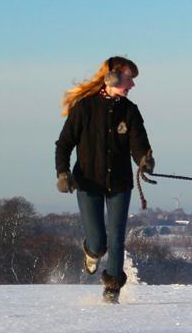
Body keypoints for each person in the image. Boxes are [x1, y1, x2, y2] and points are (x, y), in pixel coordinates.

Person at [55, 56, 154, 303]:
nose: (132, 85)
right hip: (88, 183)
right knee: (100, 243)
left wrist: (144, 160)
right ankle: (91, 251)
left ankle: (112, 287)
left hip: (120, 184)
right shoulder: (84, 108)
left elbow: (139, 145)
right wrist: (63, 173)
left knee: (117, 236)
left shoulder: (130, 111)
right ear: (113, 77)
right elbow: (64, 144)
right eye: (129, 79)